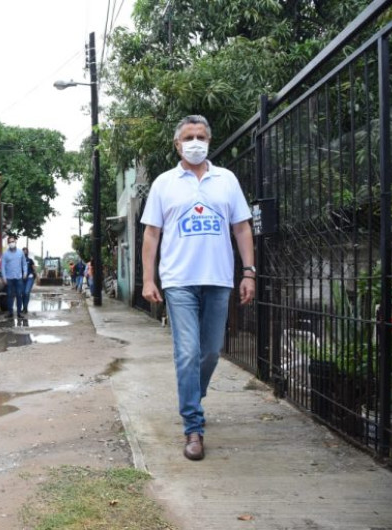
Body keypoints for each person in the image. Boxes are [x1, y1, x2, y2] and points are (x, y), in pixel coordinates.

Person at [141, 115, 255, 461]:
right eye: (188, 136)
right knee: (188, 353)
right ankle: (193, 426)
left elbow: (242, 228)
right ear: (177, 144)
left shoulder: (227, 180)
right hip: (178, 281)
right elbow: (151, 234)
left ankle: (194, 393)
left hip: (218, 279)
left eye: (201, 136)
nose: (195, 141)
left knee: (209, 353)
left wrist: (248, 272)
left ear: (209, 141)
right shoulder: (164, 183)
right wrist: (148, 279)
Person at [0, 235, 27, 318]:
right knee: (9, 295)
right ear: (8, 243)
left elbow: (24, 264)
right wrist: (4, 277)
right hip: (9, 278)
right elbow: (3, 267)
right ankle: (10, 312)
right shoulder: (5, 254)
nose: (11, 243)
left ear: (15, 242)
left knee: (19, 295)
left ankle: (19, 312)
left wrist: (25, 272)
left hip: (18, 278)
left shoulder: (20, 253)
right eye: (10, 242)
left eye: (13, 241)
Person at [21, 247, 36, 314]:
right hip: (22, 279)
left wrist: (35, 275)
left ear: (27, 252)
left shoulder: (30, 260)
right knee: (23, 293)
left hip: (29, 278)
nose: (24, 252)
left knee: (26, 292)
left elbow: (34, 268)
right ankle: (24, 307)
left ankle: (25, 307)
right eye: (23, 251)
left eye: (26, 251)